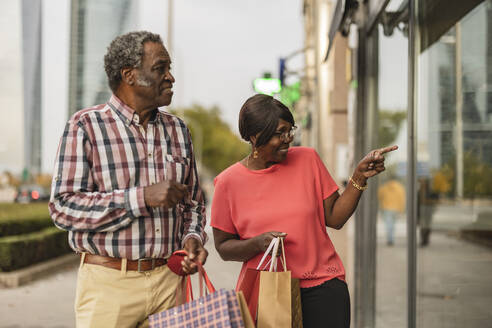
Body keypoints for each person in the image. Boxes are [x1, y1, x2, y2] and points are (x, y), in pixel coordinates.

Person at [49, 31, 208, 328]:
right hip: (108, 285)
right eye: (160, 68)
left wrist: (192, 238)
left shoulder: (178, 130)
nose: (171, 77)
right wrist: (141, 197)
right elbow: (62, 207)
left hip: (169, 283)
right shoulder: (85, 126)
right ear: (130, 75)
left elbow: (194, 205)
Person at [211, 94, 397, 328]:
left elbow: (335, 218)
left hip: (324, 287)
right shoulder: (228, 183)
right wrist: (257, 244)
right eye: (280, 133)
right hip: (267, 294)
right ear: (254, 136)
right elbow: (223, 247)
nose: (288, 139)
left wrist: (358, 177)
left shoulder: (307, 159)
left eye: (290, 131)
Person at [378, 177, 405, 246]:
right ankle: (391, 239)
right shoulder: (400, 188)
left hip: (386, 208)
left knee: (388, 225)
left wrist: (381, 206)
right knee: (392, 225)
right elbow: (402, 199)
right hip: (396, 209)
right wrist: (401, 209)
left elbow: (379, 196)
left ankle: (390, 239)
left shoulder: (384, 187)